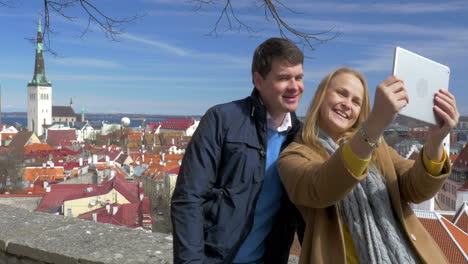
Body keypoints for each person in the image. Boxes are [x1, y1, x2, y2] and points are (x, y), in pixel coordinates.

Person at [278, 67, 459, 264]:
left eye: (356, 102)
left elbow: (416, 188)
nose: (347, 104)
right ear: (321, 95)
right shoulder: (294, 156)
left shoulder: (378, 148)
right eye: (341, 93)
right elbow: (323, 185)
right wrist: (375, 124)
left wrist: (435, 142)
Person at [171, 37, 305, 264]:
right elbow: (188, 199)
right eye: (284, 78)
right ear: (258, 81)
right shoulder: (222, 119)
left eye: (299, 77)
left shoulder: (301, 136)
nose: (295, 86)